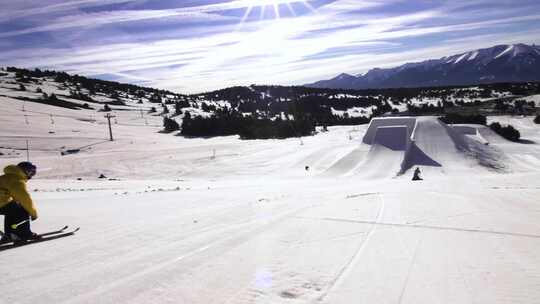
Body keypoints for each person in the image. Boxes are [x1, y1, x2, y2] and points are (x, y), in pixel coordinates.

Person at [0, 162, 39, 243]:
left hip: (2, 202)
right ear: (24, 171)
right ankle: (24, 234)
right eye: (30, 172)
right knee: (23, 209)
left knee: (12, 209)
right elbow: (24, 199)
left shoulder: (7, 177)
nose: (31, 175)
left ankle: (9, 235)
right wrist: (33, 213)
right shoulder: (17, 180)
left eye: (33, 173)